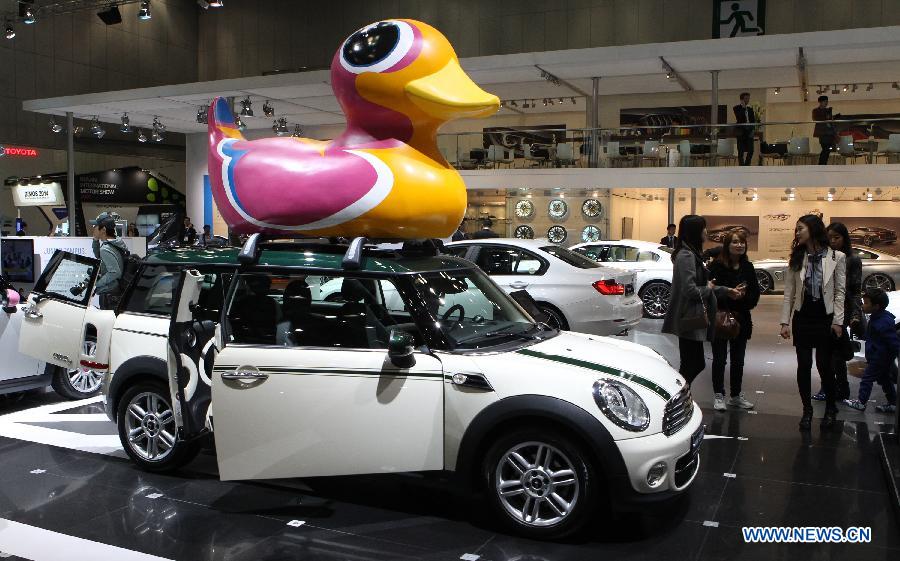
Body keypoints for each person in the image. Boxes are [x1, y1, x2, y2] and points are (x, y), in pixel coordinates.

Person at [780, 214, 846, 430]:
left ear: (812, 229)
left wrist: (838, 321)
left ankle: (830, 408)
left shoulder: (837, 257)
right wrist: (785, 322)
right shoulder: (797, 257)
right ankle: (807, 410)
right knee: (804, 365)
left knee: (825, 365)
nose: (797, 232)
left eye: (800, 228)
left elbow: (839, 292)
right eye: (796, 229)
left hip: (825, 318)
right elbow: (789, 292)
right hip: (803, 317)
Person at [662, 215, 742, 385]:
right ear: (695, 231)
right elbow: (689, 289)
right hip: (689, 317)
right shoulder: (686, 255)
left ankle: (680, 396)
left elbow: (701, 285)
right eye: (703, 228)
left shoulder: (692, 254)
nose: (706, 231)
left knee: (693, 363)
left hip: (692, 317)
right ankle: (676, 396)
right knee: (694, 363)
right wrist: (709, 289)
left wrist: (726, 291)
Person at [708, 230, 760, 410]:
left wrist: (742, 298)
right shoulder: (717, 266)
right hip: (721, 317)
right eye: (735, 242)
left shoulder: (748, 267)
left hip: (742, 317)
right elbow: (710, 291)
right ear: (727, 245)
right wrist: (730, 294)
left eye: (742, 242)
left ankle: (736, 395)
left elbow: (755, 294)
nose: (739, 245)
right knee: (720, 358)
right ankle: (718, 394)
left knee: (738, 359)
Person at [813, 223, 863, 401]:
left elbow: (856, 290)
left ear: (844, 238)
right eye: (830, 237)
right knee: (823, 352)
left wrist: (856, 314)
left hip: (842, 309)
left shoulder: (852, 260)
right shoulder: (822, 257)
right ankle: (829, 388)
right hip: (823, 309)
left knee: (836, 354)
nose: (833, 241)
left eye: (837, 237)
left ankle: (840, 389)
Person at [844, 288, 898, 413]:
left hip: (879, 358)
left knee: (867, 379)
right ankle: (893, 403)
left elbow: (893, 341)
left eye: (866, 303)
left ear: (876, 306)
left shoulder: (883, 322)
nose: (863, 305)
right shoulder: (877, 318)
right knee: (885, 380)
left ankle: (861, 402)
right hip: (879, 356)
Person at [91, 211, 129, 310]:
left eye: (95, 226)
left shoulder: (106, 249)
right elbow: (98, 255)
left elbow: (114, 272)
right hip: (116, 291)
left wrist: (96, 283)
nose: (93, 228)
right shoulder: (116, 242)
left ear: (103, 229)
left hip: (109, 293)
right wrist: (95, 239)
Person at [733, 92, 757, 166]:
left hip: (749, 130)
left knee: (751, 150)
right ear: (742, 99)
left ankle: (747, 165)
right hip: (741, 131)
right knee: (740, 151)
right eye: (746, 98)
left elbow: (753, 121)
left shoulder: (750, 109)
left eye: (748, 98)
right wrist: (743, 108)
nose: (748, 100)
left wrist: (753, 130)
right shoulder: (736, 108)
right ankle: (741, 165)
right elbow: (739, 118)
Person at [812, 95, 836, 165]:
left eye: (827, 101)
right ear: (820, 102)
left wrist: (833, 117)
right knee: (825, 149)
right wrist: (826, 118)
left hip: (829, 133)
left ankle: (823, 164)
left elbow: (830, 120)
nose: (826, 103)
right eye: (825, 101)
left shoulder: (828, 110)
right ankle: (821, 164)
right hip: (822, 133)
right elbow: (815, 119)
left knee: (827, 150)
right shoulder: (816, 110)